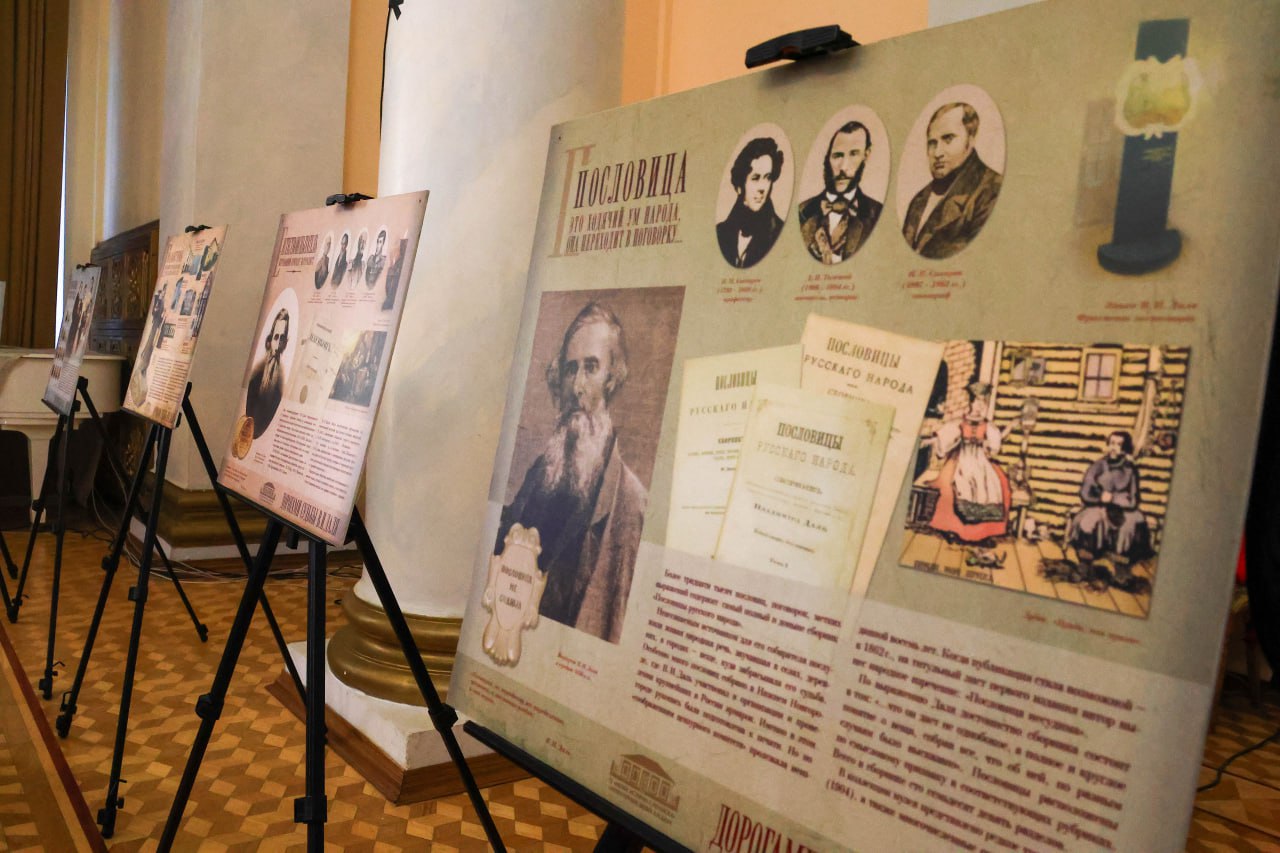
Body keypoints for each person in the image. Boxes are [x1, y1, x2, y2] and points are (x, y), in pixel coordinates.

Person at [494, 302, 647, 643]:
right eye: (569, 369)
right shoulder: (542, 473)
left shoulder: (629, 501)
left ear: (611, 379)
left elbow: (613, 625)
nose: (577, 386)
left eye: (591, 368)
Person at [902, 102, 1003, 260]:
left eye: (948, 139)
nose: (937, 153)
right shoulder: (919, 199)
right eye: (932, 143)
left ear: (970, 140)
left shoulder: (992, 191)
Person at [1067, 431, 1153, 591]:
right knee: (1088, 521)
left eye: (1119, 445)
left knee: (1128, 525)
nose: (1114, 447)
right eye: (1112, 443)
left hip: (1123, 509)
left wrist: (1114, 499)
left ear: (1125, 448)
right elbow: (1085, 492)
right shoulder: (1098, 466)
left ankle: (1121, 570)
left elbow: (1134, 499)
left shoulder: (1130, 469)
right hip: (1099, 505)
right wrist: (1100, 497)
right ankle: (1084, 565)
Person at [927, 382, 1010, 544]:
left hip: (980, 460)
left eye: (983, 402)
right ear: (971, 403)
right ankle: (953, 529)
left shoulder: (988, 425)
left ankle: (980, 534)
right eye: (977, 402)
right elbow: (946, 438)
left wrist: (989, 444)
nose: (980, 406)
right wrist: (937, 440)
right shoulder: (960, 422)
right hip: (961, 458)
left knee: (994, 485)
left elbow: (994, 446)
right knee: (953, 487)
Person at [797, 121, 883, 264]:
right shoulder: (802, 211)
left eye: (854, 154)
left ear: (866, 155)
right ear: (827, 157)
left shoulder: (877, 214)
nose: (843, 167)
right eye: (837, 156)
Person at [715, 137, 785, 269]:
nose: (762, 187)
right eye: (755, 178)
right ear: (739, 187)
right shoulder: (721, 232)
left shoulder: (779, 232)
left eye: (768, 178)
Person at [245, 308, 289, 439]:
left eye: (282, 338)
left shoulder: (281, 378)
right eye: (276, 337)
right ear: (270, 340)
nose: (278, 343)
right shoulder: (257, 371)